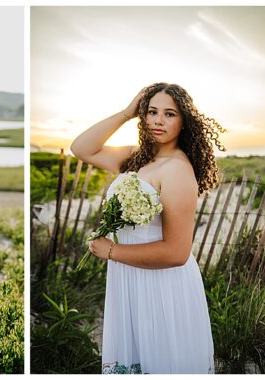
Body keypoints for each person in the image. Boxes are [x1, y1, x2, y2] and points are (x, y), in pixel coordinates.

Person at [72, 83, 221, 374]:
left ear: (184, 121)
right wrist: (126, 112)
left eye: (169, 114)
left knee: (159, 358)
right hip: (130, 276)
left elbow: (177, 252)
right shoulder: (136, 157)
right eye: (152, 112)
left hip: (161, 285)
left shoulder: (177, 170)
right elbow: (81, 148)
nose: (158, 120)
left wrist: (112, 251)